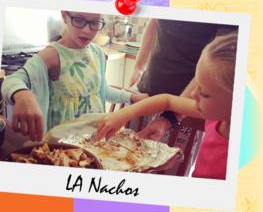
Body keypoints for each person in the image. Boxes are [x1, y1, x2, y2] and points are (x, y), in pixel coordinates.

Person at [96, 32, 238, 180]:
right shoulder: (217, 116)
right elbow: (167, 100)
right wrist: (124, 114)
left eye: (205, 94)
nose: (192, 94)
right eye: (198, 86)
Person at [2, 11, 148, 141]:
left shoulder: (97, 53)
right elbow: (12, 80)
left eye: (94, 23)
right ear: (65, 16)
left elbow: (102, 91)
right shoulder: (52, 55)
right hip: (62, 142)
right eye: (78, 20)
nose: (86, 30)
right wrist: (23, 94)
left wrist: (131, 97)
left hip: (94, 137)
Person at [129, 19, 238, 140]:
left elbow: (218, 65)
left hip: (188, 109)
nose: (194, 93)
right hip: (147, 90)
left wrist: (171, 117)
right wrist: (138, 67)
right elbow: (154, 22)